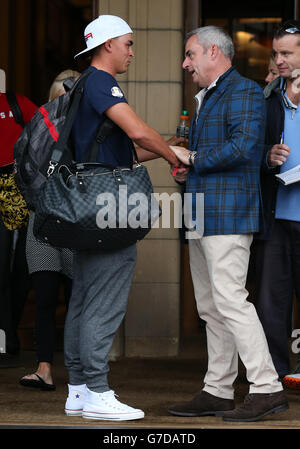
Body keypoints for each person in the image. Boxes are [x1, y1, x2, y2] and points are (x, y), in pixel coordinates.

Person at [167, 25, 288, 423]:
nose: (186, 64)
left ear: (214, 53)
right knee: (211, 306)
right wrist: (189, 170)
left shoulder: (245, 91)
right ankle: (218, 389)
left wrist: (194, 159)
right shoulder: (210, 95)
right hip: (204, 211)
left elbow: (244, 148)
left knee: (231, 300)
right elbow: (221, 154)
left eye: (190, 54)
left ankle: (267, 386)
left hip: (228, 213)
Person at [63, 15, 181, 421]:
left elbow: (118, 155)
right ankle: (97, 390)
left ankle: (78, 389)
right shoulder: (99, 81)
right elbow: (136, 133)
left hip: (85, 202)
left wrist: (169, 148)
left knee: (83, 297)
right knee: (105, 299)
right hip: (106, 207)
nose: (132, 52)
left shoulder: (80, 86)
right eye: (128, 44)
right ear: (108, 44)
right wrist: (170, 155)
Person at [19, 70, 80, 390]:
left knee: (73, 300)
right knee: (46, 298)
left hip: (68, 223)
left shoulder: (88, 128)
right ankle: (44, 368)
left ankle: (78, 373)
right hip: (44, 222)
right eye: (58, 100)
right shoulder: (36, 128)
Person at [252, 20, 300, 389]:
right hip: (275, 214)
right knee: (271, 305)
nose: (279, 60)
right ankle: (274, 378)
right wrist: (266, 157)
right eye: (276, 53)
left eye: (287, 53)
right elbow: (247, 150)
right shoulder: (266, 98)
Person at [0, 87, 37, 367]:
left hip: (18, 186)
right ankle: (6, 337)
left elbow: (46, 136)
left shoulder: (16, 102)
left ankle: (10, 329)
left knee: (24, 265)